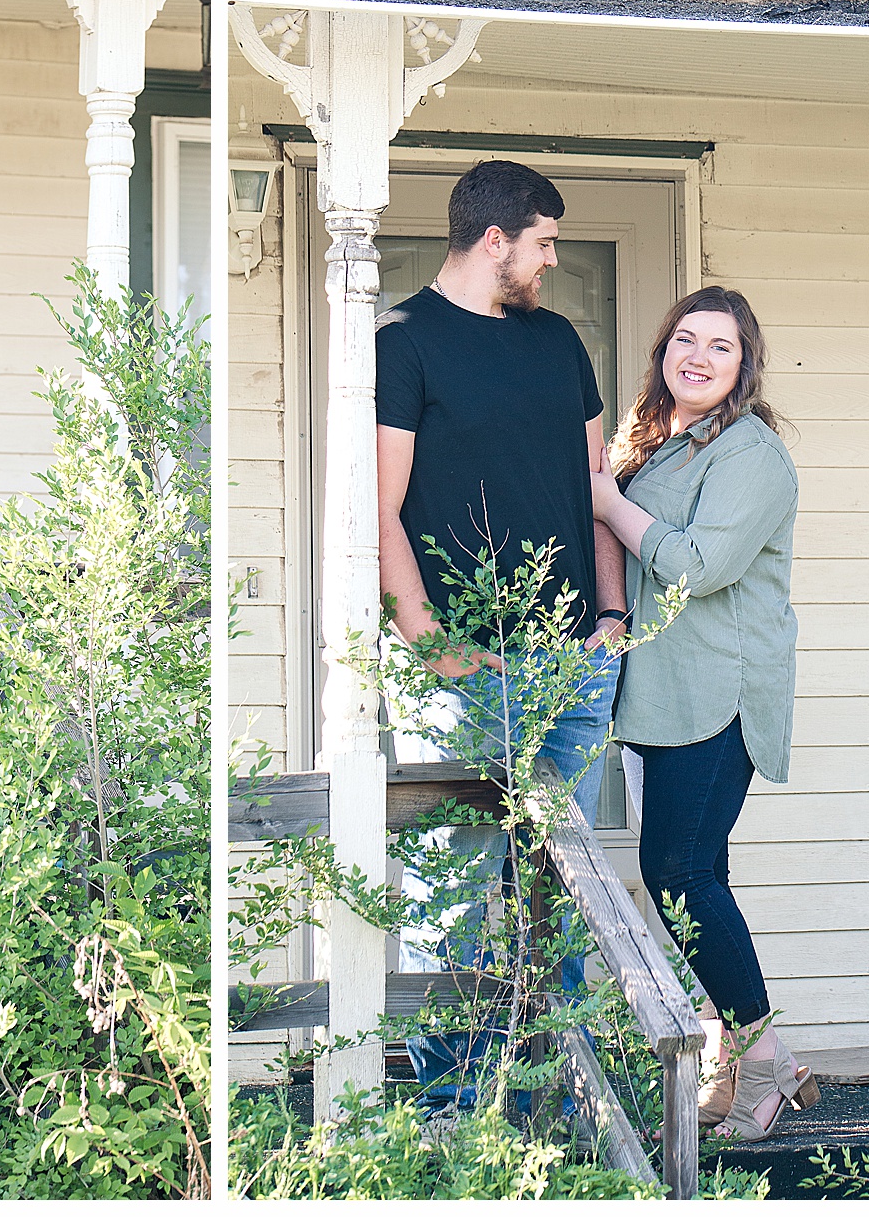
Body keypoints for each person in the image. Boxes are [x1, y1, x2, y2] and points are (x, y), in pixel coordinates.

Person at [375, 159, 629, 1114]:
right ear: (496, 240)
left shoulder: (559, 342)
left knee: (562, 892)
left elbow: (595, 492)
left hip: (572, 664)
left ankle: (559, 1113)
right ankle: (452, 1116)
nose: (553, 262)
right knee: (450, 900)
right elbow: (380, 506)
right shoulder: (401, 342)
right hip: (466, 671)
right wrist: (427, 636)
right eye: (546, 242)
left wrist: (610, 621)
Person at [590, 285, 815, 1141]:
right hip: (657, 694)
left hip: (720, 692)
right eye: (684, 340)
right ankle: (736, 1071)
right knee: (691, 876)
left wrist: (609, 500)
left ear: (744, 364)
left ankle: (761, 1055)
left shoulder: (750, 455)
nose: (697, 357)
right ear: (662, 353)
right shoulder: (660, 447)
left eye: (719, 346)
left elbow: (697, 564)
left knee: (680, 873)